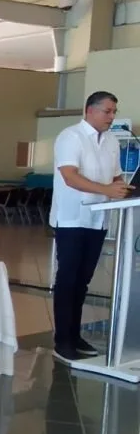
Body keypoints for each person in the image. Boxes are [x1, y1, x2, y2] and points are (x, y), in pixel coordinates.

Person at [51, 91, 134, 361]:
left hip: (98, 220)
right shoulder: (71, 137)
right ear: (90, 110)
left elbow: (116, 176)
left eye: (114, 112)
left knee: (82, 281)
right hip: (72, 219)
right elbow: (70, 177)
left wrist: (124, 188)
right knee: (68, 279)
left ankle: (75, 335)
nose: (112, 117)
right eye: (107, 111)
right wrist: (107, 190)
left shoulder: (111, 141)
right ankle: (62, 340)